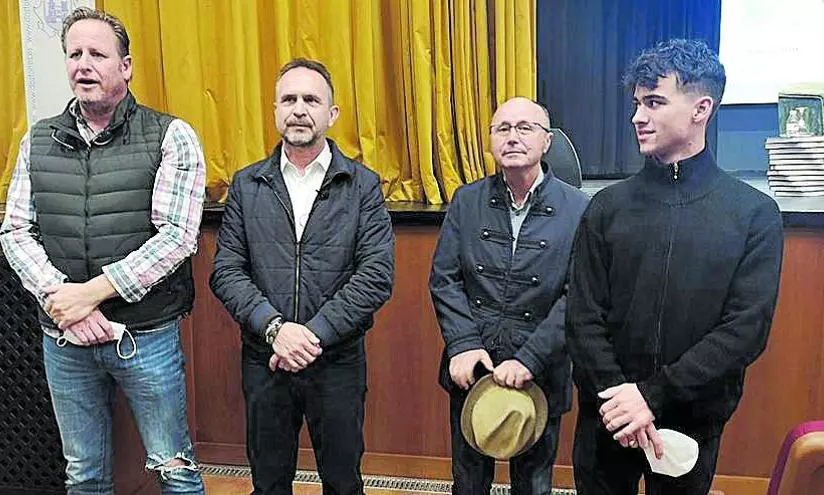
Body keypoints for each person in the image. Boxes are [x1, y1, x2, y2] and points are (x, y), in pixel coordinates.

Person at [0, 7, 206, 494]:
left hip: (145, 335)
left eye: (97, 54)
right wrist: (64, 300)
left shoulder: (171, 135)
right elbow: (15, 231)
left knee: (175, 470)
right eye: (74, 54)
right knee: (83, 474)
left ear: (126, 66)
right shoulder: (37, 140)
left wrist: (91, 293)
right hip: (65, 339)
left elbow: (176, 236)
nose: (83, 64)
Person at [566, 39, 783, 494]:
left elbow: (745, 329)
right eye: (636, 104)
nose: (637, 117)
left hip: (692, 418)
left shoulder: (752, 213)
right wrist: (621, 400)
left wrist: (653, 395)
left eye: (654, 102)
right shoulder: (606, 208)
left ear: (701, 109)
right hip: (607, 416)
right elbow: (583, 316)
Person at [209, 58, 394, 495]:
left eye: (311, 100)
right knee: (268, 482)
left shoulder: (363, 185)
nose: (298, 109)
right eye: (289, 99)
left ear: (332, 114)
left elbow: (376, 275)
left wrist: (310, 337)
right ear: (275, 110)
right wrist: (276, 330)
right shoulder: (247, 184)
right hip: (265, 360)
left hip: (337, 362)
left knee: (343, 483)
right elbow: (226, 271)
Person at [429, 97, 589, 494]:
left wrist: (530, 359)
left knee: (533, 484)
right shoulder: (467, 200)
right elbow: (444, 279)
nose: (512, 137)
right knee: (468, 482)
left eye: (524, 128)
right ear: (490, 141)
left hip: (541, 367)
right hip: (473, 365)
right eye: (502, 128)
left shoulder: (579, 209)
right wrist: (463, 345)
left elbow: (578, 296)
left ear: (546, 141)